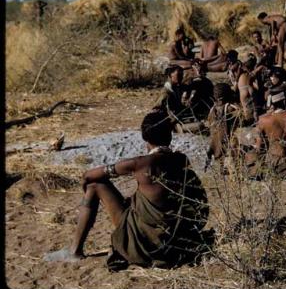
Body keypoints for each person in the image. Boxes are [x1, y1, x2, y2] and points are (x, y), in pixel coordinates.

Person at [43, 110, 210, 270]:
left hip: (146, 243)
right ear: (169, 135)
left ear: (145, 138)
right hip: (175, 239)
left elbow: (88, 175)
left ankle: (74, 251)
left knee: (95, 186)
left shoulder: (141, 163)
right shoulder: (181, 159)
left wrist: (85, 185)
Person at [205, 83, 241, 169]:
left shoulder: (212, 110)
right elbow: (240, 123)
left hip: (215, 145)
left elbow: (210, 126)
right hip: (228, 145)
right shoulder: (231, 108)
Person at [154, 65, 192, 131]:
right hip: (171, 120)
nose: (181, 78)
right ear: (170, 76)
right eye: (178, 76)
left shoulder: (179, 88)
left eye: (181, 75)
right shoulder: (165, 92)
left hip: (180, 117)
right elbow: (157, 108)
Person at [226, 49, 255, 125]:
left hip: (242, 87)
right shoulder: (236, 64)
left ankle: (249, 121)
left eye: (229, 57)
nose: (228, 59)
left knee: (245, 106)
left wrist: (235, 83)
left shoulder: (237, 64)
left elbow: (237, 76)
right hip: (246, 86)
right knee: (250, 105)